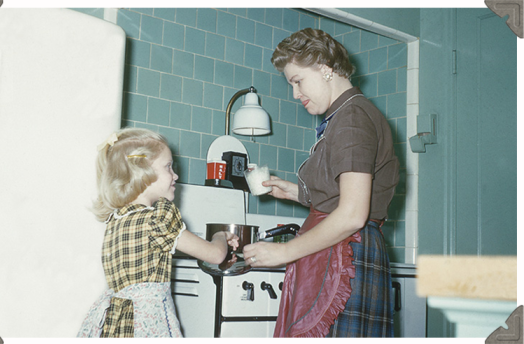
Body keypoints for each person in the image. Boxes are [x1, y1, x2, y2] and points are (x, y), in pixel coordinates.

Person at [242, 28, 399, 338]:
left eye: (297, 81)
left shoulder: (351, 118)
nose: (295, 94)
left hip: (346, 253)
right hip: (343, 250)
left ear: (326, 69)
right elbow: (341, 194)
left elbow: (352, 214)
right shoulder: (346, 115)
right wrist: (296, 191)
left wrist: (285, 252)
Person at [77, 128, 238, 338]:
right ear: (141, 172)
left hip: (119, 322)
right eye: (168, 167)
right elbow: (215, 255)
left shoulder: (115, 220)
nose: (176, 175)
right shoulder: (158, 219)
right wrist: (221, 235)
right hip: (148, 320)